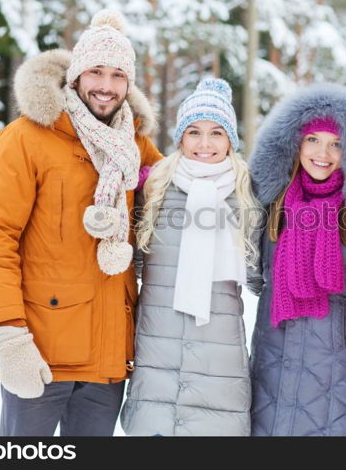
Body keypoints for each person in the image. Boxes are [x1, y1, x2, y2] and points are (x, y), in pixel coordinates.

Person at [0, 10, 163, 436]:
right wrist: (9, 336)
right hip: (41, 354)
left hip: (108, 359)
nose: (106, 86)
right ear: (76, 75)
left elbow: (188, 187)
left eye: (117, 75)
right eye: (96, 71)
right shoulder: (26, 138)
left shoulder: (135, 146)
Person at [247, 83, 346, 436]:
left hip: (339, 373)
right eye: (312, 140)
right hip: (273, 365)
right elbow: (251, 274)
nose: (322, 152)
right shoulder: (270, 205)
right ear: (294, 143)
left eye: (336, 143)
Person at [119, 79, 258, 436]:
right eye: (194, 132)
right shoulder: (155, 186)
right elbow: (133, 262)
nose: (205, 144)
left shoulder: (247, 195)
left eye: (217, 133)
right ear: (180, 137)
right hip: (157, 361)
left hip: (218, 364)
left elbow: (260, 275)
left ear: (230, 140)